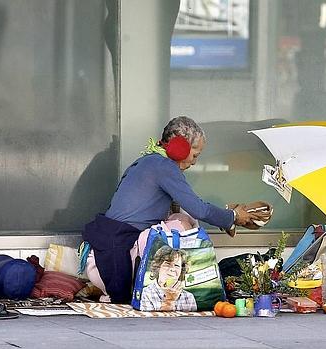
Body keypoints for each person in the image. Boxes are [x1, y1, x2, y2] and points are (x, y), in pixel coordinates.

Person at [82, 116, 272, 304]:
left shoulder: (148, 161)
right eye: (195, 155)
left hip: (103, 258)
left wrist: (226, 216)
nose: (195, 162)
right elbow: (198, 209)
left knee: (179, 217)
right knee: (181, 223)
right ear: (179, 148)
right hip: (116, 258)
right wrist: (234, 217)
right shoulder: (164, 166)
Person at [140, 246, 196, 311]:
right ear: (158, 267)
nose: (172, 269)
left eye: (176, 265)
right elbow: (152, 320)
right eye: (167, 264)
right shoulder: (146, 293)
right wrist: (169, 301)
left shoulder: (189, 297)